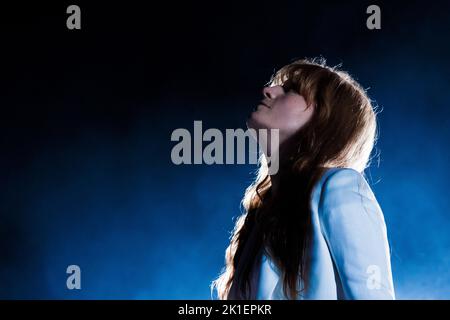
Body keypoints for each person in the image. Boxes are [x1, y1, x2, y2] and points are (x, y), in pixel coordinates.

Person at [211, 58, 395, 300]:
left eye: (291, 90)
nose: (268, 90)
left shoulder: (339, 186)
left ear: (326, 119)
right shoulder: (258, 218)